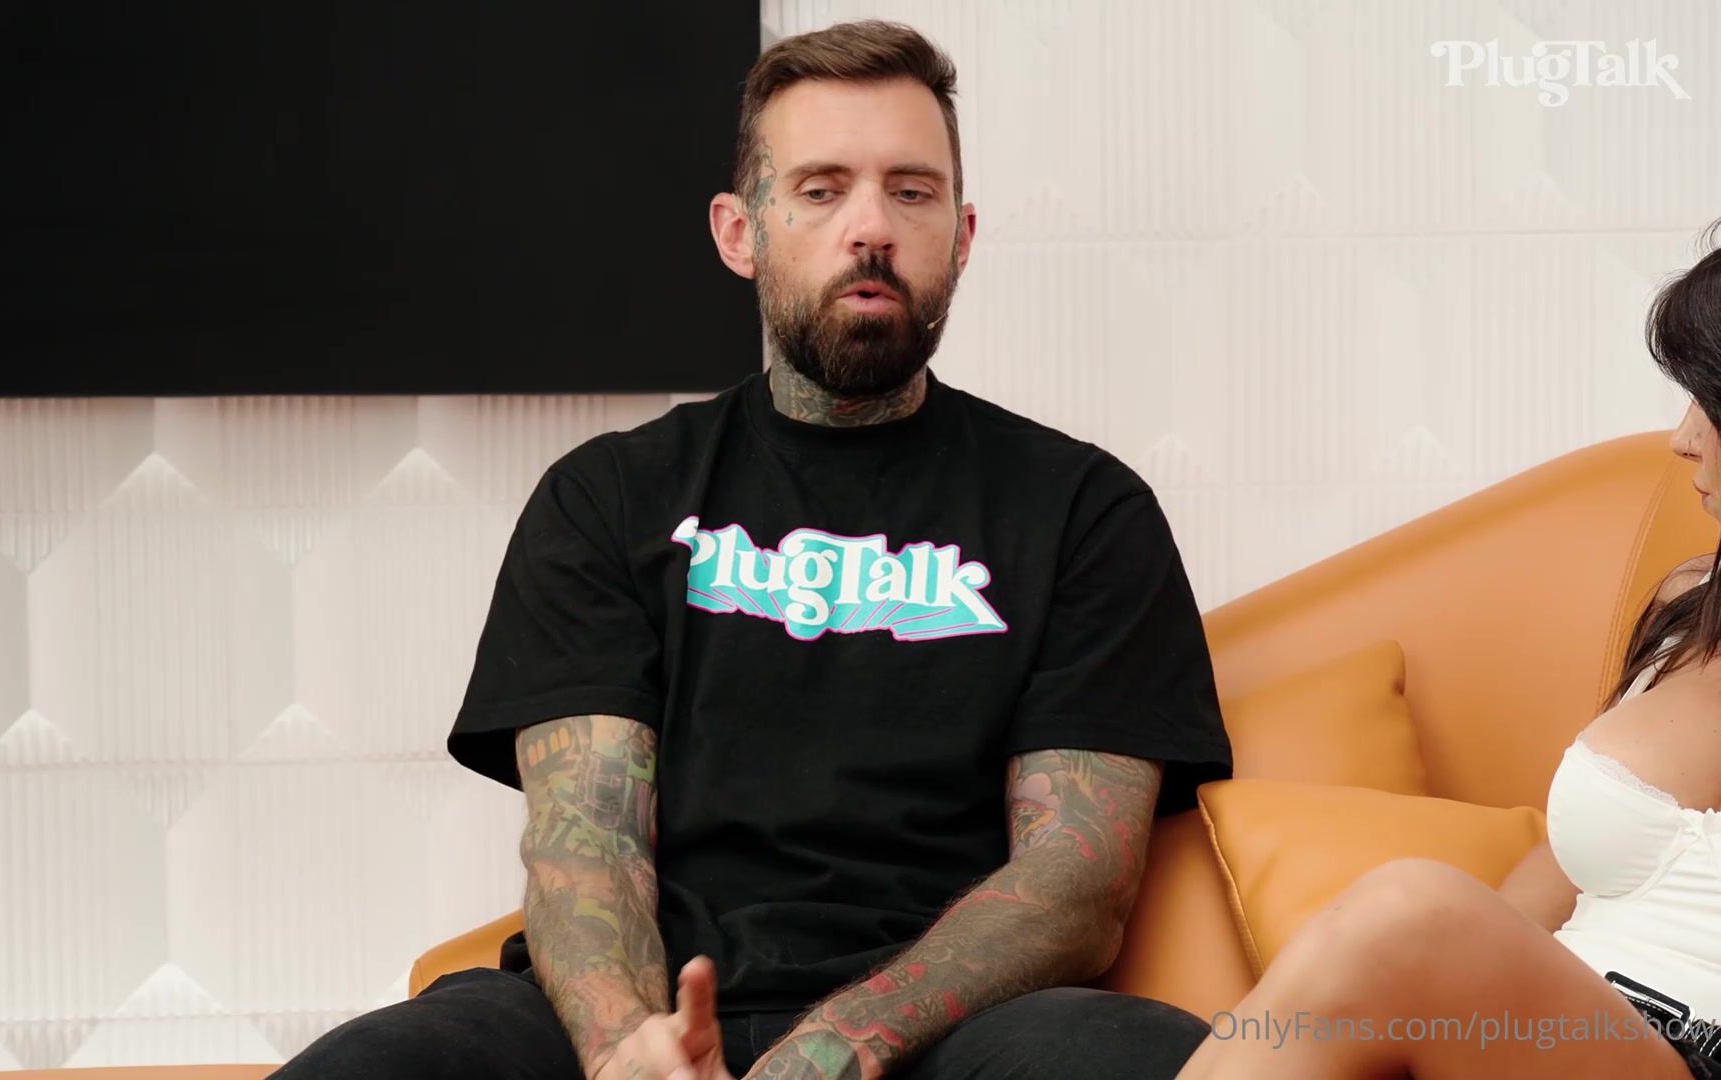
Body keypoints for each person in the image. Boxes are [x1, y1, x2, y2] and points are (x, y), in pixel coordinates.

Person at [270, 19, 1231, 1080]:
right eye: (822, 189)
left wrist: (838, 1045)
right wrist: (630, 1050)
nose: (871, 227)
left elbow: (1074, 884)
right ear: (741, 232)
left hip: (941, 1032)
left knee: (1150, 1060)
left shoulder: (1083, 511)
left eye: (911, 191)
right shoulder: (609, 498)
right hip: (635, 1020)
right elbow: (584, 845)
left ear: (961, 236)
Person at [1178, 223, 1721, 1079]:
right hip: (1549, 1036)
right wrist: (1439, 1011)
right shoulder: (1691, 605)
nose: (1682, 437)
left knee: (1411, 908)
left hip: (1688, 1048)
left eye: (1707, 400)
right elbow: (1556, 878)